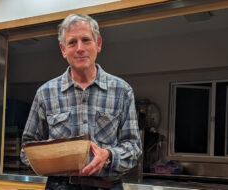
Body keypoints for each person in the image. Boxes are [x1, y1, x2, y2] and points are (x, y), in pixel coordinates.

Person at [20, 14, 142, 190]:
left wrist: (108, 155)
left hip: (107, 186)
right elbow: (26, 150)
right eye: (72, 42)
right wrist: (50, 156)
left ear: (98, 44)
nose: (79, 48)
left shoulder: (122, 91)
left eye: (86, 40)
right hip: (60, 186)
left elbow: (133, 147)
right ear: (63, 49)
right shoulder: (45, 94)